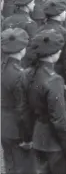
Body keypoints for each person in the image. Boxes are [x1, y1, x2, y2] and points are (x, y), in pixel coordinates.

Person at [19, 29, 66, 174]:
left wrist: (27, 136)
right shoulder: (54, 80)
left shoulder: (27, 74)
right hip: (55, 143)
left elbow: (24, 109)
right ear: (54, 54)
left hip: (39, 137)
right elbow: (59, 119)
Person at [1, 28, 36, 174]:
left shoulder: (3, 68)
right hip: (17, 130)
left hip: (4, 125)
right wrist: (27, 137)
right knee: (24, 168)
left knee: (10, 166)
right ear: (22, 49)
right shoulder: (19, 74)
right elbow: (22, 109)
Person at [36, 0, 66, 83]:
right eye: (64, 10)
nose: (65, 12)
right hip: (58, 74)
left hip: (40, 73)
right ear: (59, 14)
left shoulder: (39, 30)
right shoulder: (64, 33)